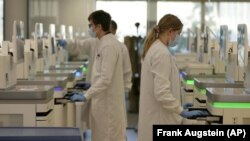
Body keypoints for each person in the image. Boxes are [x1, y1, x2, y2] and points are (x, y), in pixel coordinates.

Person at [138, 14, 206, 141]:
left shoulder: (157, 49)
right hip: (159, 119)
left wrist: (178, 102)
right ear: (170, 31)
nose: (178, 37)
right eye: (178, 33)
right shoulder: (161, 53)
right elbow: (162, 92)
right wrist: (180, 110)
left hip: (157, 116)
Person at [72, 10, 126, 141]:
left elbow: (106, 79)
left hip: (108, 108)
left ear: (99, 26)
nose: (90, 28)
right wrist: (91, 84)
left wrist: (86, 95)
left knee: (106, 137)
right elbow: (103, 74)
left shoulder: (108, 46)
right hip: (104, 104)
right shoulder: (104, 43)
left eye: (91, 25)